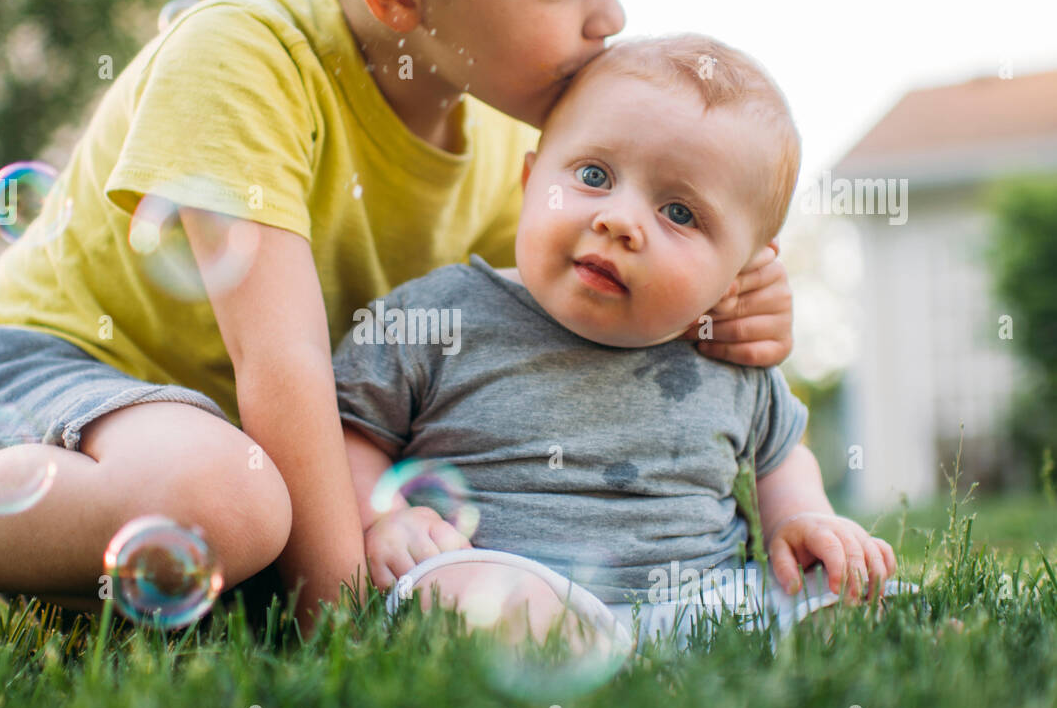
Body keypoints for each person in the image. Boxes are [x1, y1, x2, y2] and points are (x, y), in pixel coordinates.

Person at [0, 0, 795, 644]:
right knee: (238, 501)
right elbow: (281, 369)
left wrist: (727, 303)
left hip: (205, 450)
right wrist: (342, 620)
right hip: (43, 379)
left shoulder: (506, 146)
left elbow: (555, 334)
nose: (608, 17)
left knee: (240, 503)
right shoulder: (242, 57)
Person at [334, 34, 904, 652]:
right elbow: (352, 429)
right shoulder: (439, 314)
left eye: (680, 213)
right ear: (530, 181)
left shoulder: (727, 355)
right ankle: (568, 647)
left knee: (836, 593)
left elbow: (780, 454)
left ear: (739, 272)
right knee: (456, 591)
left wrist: (802, 519)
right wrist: (383, 519)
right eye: (594, 175)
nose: (620, 221)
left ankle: (836, 634)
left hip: (698, 601)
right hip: (510, 583)